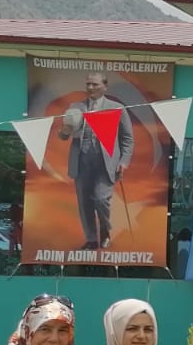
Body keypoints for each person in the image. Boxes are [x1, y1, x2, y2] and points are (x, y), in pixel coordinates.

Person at [56, 71, 134, 251]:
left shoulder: (116, 108)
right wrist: (65, 130)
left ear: (105, 87)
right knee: (84, 202)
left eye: (95, 85)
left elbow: (128, 139)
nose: (90, 88)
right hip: (82, 160)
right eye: (88, 84)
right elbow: (63, 136)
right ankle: (91, 239)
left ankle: (106, 231)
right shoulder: (76, 107)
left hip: (106, 163)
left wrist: (124, 161)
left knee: (100, 199)